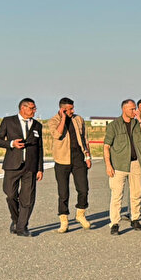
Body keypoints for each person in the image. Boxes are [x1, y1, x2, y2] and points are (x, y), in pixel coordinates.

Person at [0, 98, 44, 236]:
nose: (34, 110)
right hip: (12, 165)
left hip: (30, 166)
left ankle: (22, 227)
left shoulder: (37, 125)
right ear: (23, 108)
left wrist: (40, 168)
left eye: (35, 108)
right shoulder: (8, 121)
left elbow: (40, 148)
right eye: (32, 108)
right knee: (10, 195)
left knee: (27, 198)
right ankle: (16, 220)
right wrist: (11, 143)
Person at [104, 99, 141, 235]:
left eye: (135, 109)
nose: (134, 111)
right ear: (124, 109)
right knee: (117, 195)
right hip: (118, 165)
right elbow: (106, 146)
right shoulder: (114, 125)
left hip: (136, 163)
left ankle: (135, 218)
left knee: (136, 193)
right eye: (132, 109)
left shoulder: (138, 123)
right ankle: (114, 223)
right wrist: (108, 165)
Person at [47, 97, 92, 233]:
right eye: (70, 109)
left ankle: (80, 214)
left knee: (83, 189)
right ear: (62, 109)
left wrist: (88, 156)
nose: (73, 111)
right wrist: (63, 118)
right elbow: (57, 134)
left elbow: (85, 138)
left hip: (78, 158)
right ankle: (64, 220)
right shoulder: (53, 121)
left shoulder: (79, 119)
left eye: (73, 108)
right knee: (63, 192)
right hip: (62, 160)